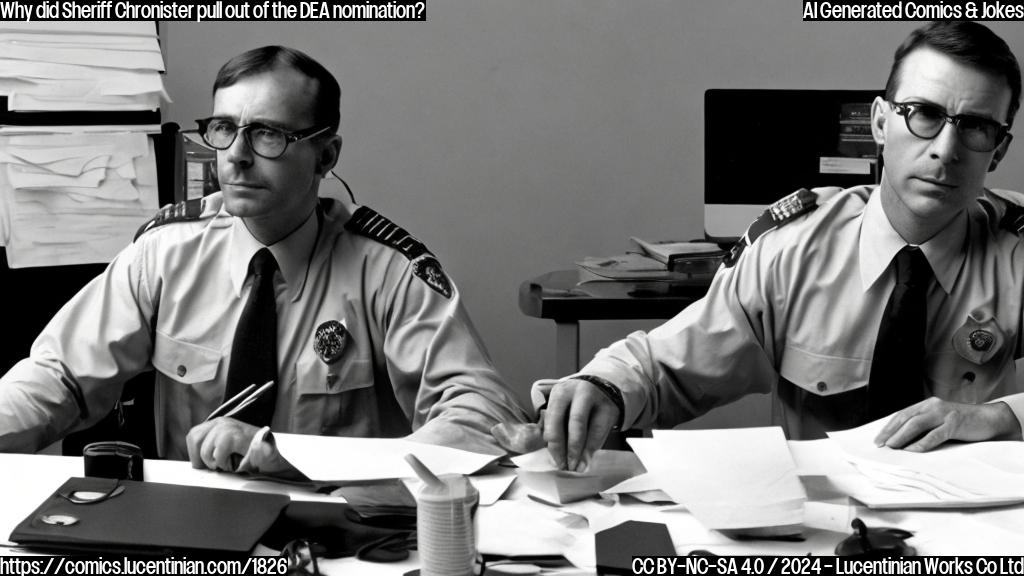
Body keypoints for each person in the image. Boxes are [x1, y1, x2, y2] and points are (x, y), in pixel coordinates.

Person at [0, 46, 529, 473]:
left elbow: (481, 413)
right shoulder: (164, 254)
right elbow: (59, 377)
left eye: (268, 133)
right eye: (225, 128)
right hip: (187, 527)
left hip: (340, 532)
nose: (236, 154)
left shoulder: (386, 270)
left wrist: (301, 458)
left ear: (326, 155)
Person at [538, 20, 1024, 472]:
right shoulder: (794, 250)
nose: (945, 149)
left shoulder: (1015, 252)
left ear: (999, 150)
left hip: (973, 520)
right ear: (880, 123)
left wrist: (1001, 416)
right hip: (822, 522)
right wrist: (603, 387)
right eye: (923, 114)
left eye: (976, 127)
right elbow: (670, 363)